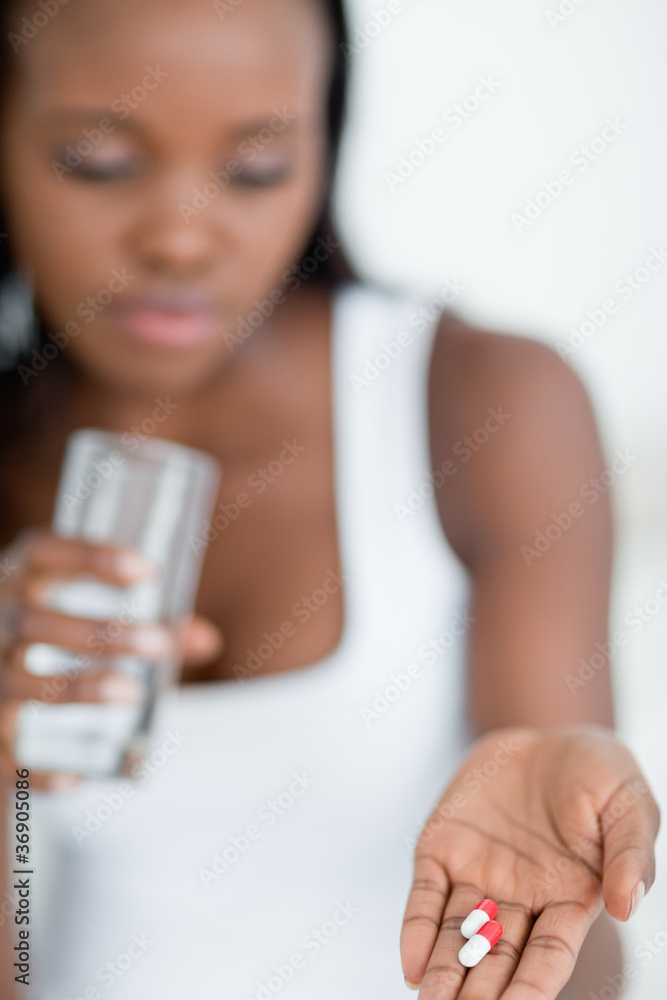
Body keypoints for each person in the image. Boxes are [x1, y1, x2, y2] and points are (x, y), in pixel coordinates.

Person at [0, 0, 659, 997]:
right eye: (98, 161)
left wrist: (560, 887)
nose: (180, 240)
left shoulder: (482, 406)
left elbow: (580, 975)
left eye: (257, 169)